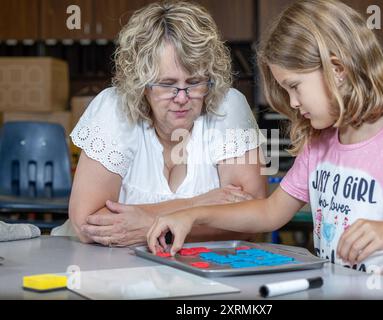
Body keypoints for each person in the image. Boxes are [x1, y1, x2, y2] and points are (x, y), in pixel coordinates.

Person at [147, 0, 383, 282]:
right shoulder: (321, 144)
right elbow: (269, 212)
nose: (292, 102)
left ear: (338, 70)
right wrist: (191, 214)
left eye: (294, 86)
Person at [52, 1, 267, 246]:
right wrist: (195, 206)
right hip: (105, 268)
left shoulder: (228, 107)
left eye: (195, 82)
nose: (183, 98)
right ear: (141, 83)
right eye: (167, 84)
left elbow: (251, 218)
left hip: (195, 274)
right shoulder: (114, 108)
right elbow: (87, 224)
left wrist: (148, 224)